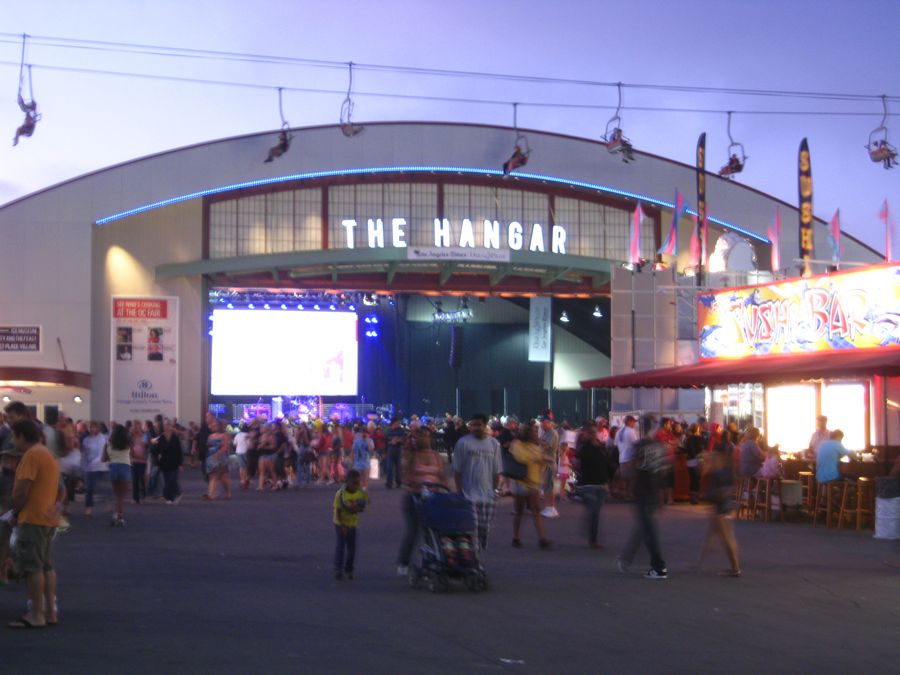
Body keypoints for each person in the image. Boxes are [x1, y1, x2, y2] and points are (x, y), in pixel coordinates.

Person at [7, 420, 63, 628]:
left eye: (15, 437)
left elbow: (22, 492)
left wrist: (14, 513)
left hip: (32, 518)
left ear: (21, 436)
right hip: (48, 518)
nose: (14, 441)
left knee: (32, 568)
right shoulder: (47, 454)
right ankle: (50, 612)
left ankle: (36, 615)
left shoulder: (31, 456)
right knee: (47, 566)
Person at [617, 421, 670, 579]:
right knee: (645, 526)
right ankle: (627, 558)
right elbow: (663, 471)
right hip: (654, 490)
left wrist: (628, 485)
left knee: (648, 529)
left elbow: (633, 467)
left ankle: (658, 566)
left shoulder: (639, 445)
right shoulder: (660, 446)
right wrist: (663, 496)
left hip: (643, 490)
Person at [396, 427, 445, 576]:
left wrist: (446, 490)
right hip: (414, 497)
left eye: (426, 436)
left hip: (433, 499)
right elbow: (404, 476)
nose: (423, 439)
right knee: (413, 531)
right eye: (419, 436)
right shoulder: (410, 456)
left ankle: (433, 559)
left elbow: (441, 475)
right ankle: (403, 562)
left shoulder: (436, 456)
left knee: (433, 531)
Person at [452, 413, 502, 553]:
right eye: (473, 425)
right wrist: (459, 490)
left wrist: (495, 490)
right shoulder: (463, 443)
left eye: (478, 425)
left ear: (485, 426)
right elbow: (457, 470)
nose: (475, 428)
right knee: (472, 527)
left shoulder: (494, 444)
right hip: (469, 493)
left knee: (484, 526)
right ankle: (474, 556)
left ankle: (481, 543)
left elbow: (497, 470)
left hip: (488, 494)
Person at [697, 428, 741, 577]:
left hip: (719, 500)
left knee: (725, 535)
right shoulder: (729, 460)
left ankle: (735, 568)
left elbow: (705, 469)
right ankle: (700, 563)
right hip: (724, 500)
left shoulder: (717, 459)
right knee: (718, 533)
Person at [509, 422, 552, 550]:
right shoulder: (517, 444)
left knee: (536, 510)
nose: (536, 435)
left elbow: (541, 461)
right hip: (520, 482)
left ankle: (542, 539)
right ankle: (516, 538)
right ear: (528, 435)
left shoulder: (536, 447)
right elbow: (521, 458)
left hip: (533, 482)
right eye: (534, 433)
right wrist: (538, 458)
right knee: (519, 511)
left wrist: (542, 459)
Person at [576, 421, 616, 549]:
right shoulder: (584, 448)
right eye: (590, 432)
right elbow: (581, 464)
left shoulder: (601, 447)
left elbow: (607, 464)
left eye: (594, 432)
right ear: (586, 434)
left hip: (600, 484)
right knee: (593, 511)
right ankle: (592, 538)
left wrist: (609, 479)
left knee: (595, 513)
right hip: (588, 485)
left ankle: (591, 535)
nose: (593, 435)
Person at [333, 469, 370, 580]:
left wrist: (357, 508)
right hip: (340, 523)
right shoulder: (340, 494)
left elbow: (364, 506)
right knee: (341, 546)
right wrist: (342, 525)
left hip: (352, 523)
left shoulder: (360, 493)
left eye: (358, 483)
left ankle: (349, 569)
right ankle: (338, 569)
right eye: (354, 483)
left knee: (352, 548)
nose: (356, 485)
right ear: (347, 482)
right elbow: (338, 511)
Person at [104, 424, 132, 527]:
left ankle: (116, 514)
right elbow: (131, 456)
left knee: (116, 495)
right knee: (121, 496)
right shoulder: (128, 444)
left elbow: (103, 459)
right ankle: (120, 516)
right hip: (125, 468)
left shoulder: (108, 445)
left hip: (114, 468)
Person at [80, 421, 109, 516]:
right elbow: (84, 454)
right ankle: (88, 507)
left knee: (105, 488)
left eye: (94, 427)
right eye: (91, 427)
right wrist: (83, 466)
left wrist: (97, 462)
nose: (92, 429)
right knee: (89, 488)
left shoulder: (103, 438)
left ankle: (110, 506)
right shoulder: (86, 440)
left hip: (101, 466)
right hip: (90, 468)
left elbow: (103, 453)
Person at [204, 419, 232, 500]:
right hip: (210, 457)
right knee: (213, 476)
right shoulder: (210, 436)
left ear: (220, 426)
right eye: (212, 425)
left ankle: (227, 492)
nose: (213, 426)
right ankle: (211, 494)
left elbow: (226, 447)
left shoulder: (224, 435)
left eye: (215, 425)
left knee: (224, 477)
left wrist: (219, 453)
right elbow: (208, 446)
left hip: (221, 458)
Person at [157, 419, 184, 504]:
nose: (166, 427)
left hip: (174, 462)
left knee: (172, 480)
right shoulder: (161, 437)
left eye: (168, 425)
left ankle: (173, 496)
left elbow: (179, 451)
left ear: (170, 426)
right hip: (164, 462)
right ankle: (169, 497)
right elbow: (157, 450)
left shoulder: (175, 438)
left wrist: (180, 464)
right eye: (165, 425)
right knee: (166, 481)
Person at [538, 416, 560, 518]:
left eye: (543, 423)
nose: (541, 425)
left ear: (549, 423)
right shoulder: (546, 433)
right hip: (546, 463)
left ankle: (550, 507)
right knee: (547, 486)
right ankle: (550, 507)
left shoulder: (552, 433)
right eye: (541, 423)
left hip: (549, 463)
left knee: (549, 487)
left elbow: (547, 446)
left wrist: (538, 441)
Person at [681, 423, 705, 504]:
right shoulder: (700, 438)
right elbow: (702, 449)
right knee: (697, 479)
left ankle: (692, 497)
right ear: (697, 429)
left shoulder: (688, 439)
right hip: (698, 460)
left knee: (692, 479)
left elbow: (685, 449)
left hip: (689, 461)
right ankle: (695, 498)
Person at [129, 420, 148, 504]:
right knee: (134, 479)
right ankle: (135, 498)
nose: (136, 428)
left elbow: (145, 447)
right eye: (135, 426)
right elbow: (129, 447)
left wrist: (143, 456)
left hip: (142, 460)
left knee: (141, 477)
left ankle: (143, 493)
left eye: (138, 426)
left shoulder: (144, 436)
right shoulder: (131, 437)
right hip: (133, 460)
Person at [384, 416, 405, 489]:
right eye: (397, 423)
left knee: (398, 468)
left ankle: (398, 482)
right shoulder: (388, 431)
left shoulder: (401, 430)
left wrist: (399, 440)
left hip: (398, 449)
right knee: (389, 467)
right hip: (390, 449)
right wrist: (391, 442)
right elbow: (385, 441)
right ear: (393, 423)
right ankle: (389, 483)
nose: (398, 424)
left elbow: (404, 439)